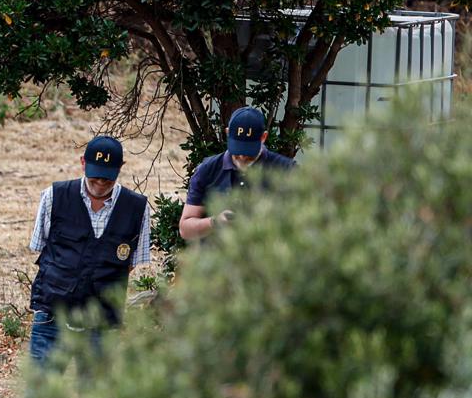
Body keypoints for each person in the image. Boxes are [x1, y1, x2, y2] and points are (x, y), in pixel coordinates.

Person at [27, 135, 152, 362]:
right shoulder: (53, 196)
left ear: (120, 168)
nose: (100, 183)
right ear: (83, 163)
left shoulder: (138, 208)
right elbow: (41, 248)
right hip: (52, 316)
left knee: (94, 395)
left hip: (102, 323)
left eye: (108, 179)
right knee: (41, 393)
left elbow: (129, 264)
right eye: (95, 177)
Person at [178, 105, 296, 241]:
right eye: (238, 148)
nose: (242, 156)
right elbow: (185, 230)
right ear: (227, 133)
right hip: (216, 258)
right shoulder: (207, 169)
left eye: (248, 150)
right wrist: (216, 222)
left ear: (263, 137)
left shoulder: (286, 170)